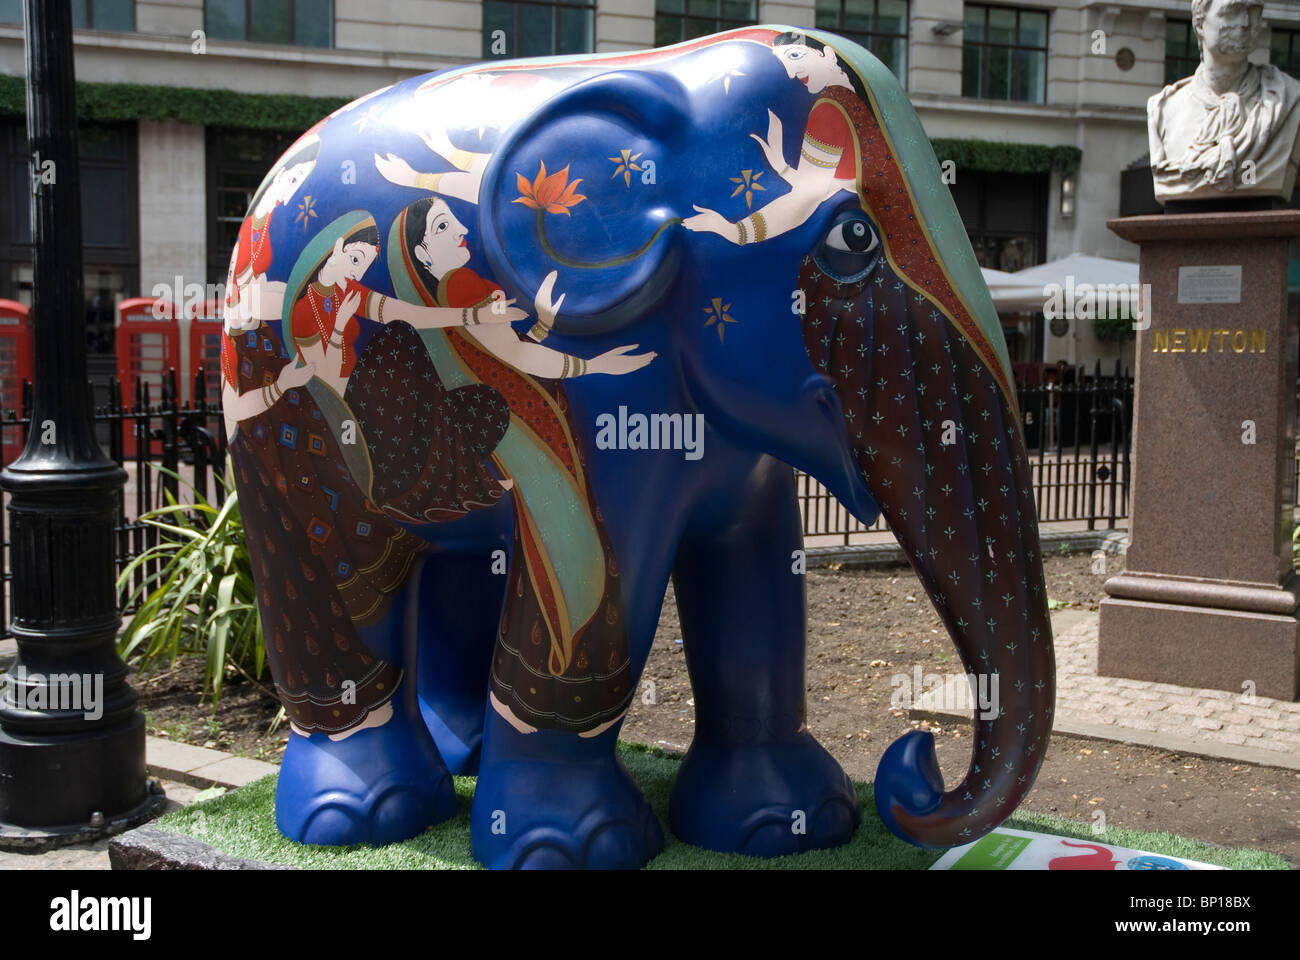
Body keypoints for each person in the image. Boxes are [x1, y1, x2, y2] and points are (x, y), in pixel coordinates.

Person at [388, 194, 654, 736]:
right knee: (568, 543)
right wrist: (594, 364)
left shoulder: (452, 295)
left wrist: (544, 323)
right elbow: (519, 361)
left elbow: (502, 353)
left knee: (555, 540)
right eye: (444, 225)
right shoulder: (463, 288)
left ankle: (536, 686)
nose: (461, 227)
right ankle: (560, 679)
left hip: (529, 422)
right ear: (422, 250)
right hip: (530, 428)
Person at [1149, 0, 1300, 201]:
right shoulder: (1163, 108)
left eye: (1253, 12)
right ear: (1200, 24)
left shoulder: (1288, 99)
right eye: (1233, 11)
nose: (1246, 23)